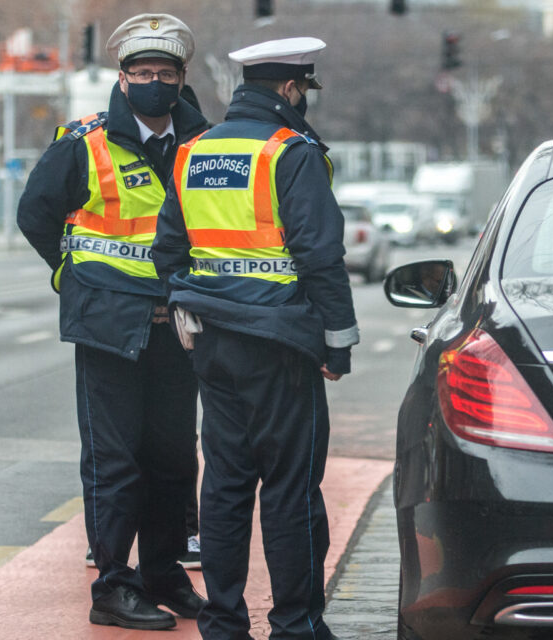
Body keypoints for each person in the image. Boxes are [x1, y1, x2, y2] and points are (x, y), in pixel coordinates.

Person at [152, 36, 357, 640]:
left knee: (224, 486)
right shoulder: (289, 152)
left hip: (214, 345)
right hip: (282, 346)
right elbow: (320, 255)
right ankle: (295, 625)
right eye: (303, 91)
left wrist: (188, 302)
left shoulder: (193, 150)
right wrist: (337, 341)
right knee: (291, 490)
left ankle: (222, 623)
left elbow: (168, 251)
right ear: (292, 89)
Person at [17, 13, 208, 631]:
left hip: (178, 326)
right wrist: (68, 274)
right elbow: (36, 214)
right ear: (123, 79)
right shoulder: (84, 141)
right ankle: (112, 586)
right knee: (115, 460)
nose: (153, 81)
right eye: (141, 71)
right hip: (108, 326)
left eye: (165, 72)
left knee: (174, 459)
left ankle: (162, 573)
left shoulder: (204, 144)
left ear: (182, 79)